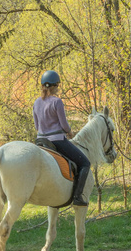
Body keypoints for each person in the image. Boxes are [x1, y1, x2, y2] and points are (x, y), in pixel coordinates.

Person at [33, 70, 91, 206]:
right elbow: (64, 124)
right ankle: (77, 197)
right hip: (56, 140)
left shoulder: (36, 102)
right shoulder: (57, 102)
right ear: (53, 86)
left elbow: (36, 125)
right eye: (57, 86)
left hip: (40, 141)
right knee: (85, 163)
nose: (58, 89)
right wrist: (69, 132)